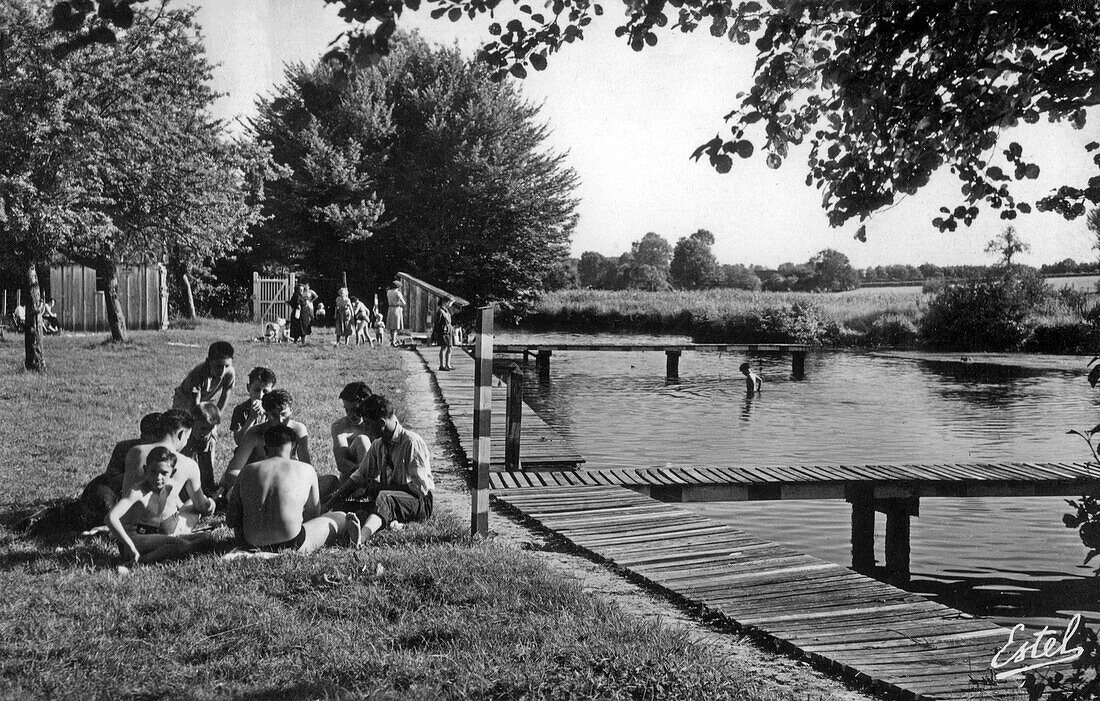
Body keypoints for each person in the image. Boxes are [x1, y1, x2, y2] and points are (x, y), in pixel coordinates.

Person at [321, 395, 434, 546]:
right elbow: (359, 477)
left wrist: (382, 488)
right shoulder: (378, 445)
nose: (365, 428)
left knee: (384, 497)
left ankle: (361, 538)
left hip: (419, 502)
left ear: (381, 423)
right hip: (390, 498)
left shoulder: (412, 443)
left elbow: (420, 489)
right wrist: (330, 503)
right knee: (348, 505)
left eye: (367, 424)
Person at [225, 425, 355, 554]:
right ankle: (351, 539)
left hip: (249, 544)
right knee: (340, 517)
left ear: (266, 447)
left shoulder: (247, 470)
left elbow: (231, 519)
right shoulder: (307, 470)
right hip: (291, 544)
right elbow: (312, 515)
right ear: (294, 448)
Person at [108, 446, 212, 566]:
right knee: (179, 545)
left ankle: (167, 552)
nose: (158, 478)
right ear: (146, 470)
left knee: (205, 537)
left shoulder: (169, 487)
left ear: (173, 473)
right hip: (133, 538)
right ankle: (136, 562)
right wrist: (130, 546)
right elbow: (111, 518)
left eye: (164, 473)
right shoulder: (138, 491)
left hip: (153, 535)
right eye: (153, 472)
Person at [218, 389, 314, 497]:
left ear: (291, 410)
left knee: (330, 481)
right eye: (274, 415)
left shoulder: (298, 430)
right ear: (266, 414)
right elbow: (233, 471)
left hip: (288, 483)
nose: (280, 420)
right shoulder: (255, 434)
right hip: (259, 483)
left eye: (283, 414)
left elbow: (308, 469)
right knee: (232, 493)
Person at [122, 409, 217, 518]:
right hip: (160, 527)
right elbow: (202, 506)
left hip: (127, 522)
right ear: (181, 434)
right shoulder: (189, 464)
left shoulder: (135, 452)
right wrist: (211, 503)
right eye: (187, 437)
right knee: (192, 503)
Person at [77, 412, 162, 529]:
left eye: (161, 436)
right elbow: (112, 479)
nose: (159, 441)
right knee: (103, 501)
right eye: (154, 437)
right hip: (113, 492)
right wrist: (138, 475)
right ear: (143, 436)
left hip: (140, 496)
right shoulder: (126, 449)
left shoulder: (166, 452)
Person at [172, 341, 236, 494]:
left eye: (227, 365)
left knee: (209, 440)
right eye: (219, 366)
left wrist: (214, 419)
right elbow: (195, 407)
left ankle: (206, 481)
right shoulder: (198, 373)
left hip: (207, 402)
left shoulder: (229, 373)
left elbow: (226, 394)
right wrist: (199, 426)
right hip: (186, 402)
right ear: (209, 362)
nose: (223, 370)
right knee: (188, 438)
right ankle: (182, 476)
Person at [330, 381, 374, 478]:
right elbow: (341, 463)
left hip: (378, 476)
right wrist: (362, 476)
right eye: (347, 409)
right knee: (362, 440)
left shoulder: (375, 423)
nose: (351, 414)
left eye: (355, 409)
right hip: (352, 480)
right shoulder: (340, 427)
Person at [229, 366, 277, 445]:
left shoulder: (274, 409)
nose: (260, 396)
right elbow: (239, 441)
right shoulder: (241, 410)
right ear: (248, 388)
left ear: (271, 391)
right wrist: (251, 418)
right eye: (256, 390)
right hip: (247, 454)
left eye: (265, 391)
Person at [431, 297, 455, 371]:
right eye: (451, 303)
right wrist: (435, 332)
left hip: (448, 331)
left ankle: (448, 364)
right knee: (444, 347)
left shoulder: (446, 310)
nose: (451, 305)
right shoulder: (440, 311)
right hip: (443, 332)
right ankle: (442, 365)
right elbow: (437, 323)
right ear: (446, 302)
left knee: (450, 347)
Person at [385, 280, 406, 346]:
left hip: (390, 308)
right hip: (396, 309)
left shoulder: (388, 292)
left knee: (391, 326)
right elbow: (404, 303)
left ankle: (392, 340)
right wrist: (398, 303)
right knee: (395, 327)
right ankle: (394, 341)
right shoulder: (397, 293)